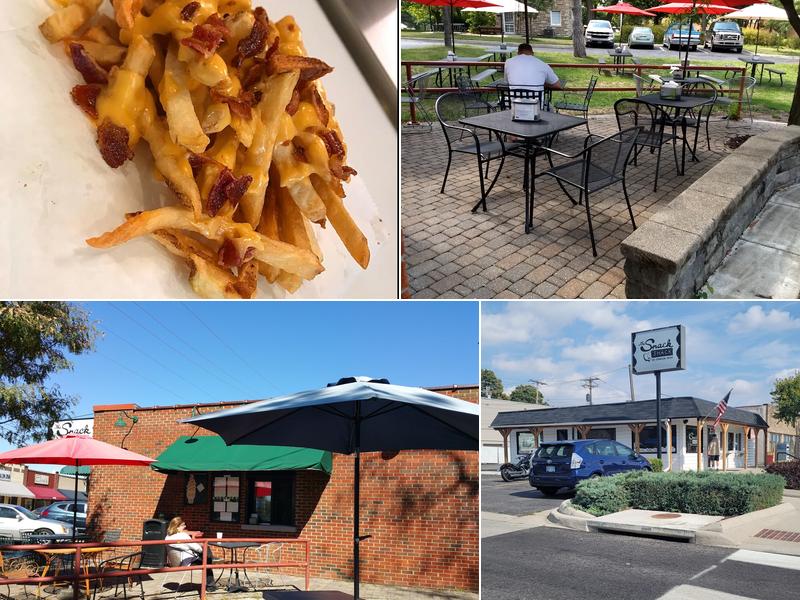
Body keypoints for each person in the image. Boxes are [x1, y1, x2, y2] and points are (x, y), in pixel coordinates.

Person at [165, 516, 217, 591]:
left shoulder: (168, 536)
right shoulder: (182, 535)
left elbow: (188, 545)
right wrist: (201, 546)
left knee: (206, 558)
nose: (185, 526)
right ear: (177, 527)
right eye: (183, 525)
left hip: (176, 562)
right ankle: (211, 586)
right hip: (186, 561)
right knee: (207, 557)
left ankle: (210, 560)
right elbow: (197, 548)